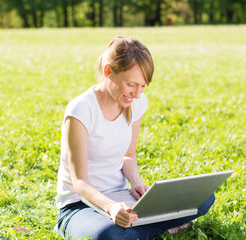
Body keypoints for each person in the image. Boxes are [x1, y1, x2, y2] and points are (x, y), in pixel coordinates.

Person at [55, 36, 215, 240]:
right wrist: (111, 208)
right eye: (131, 84)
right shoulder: (80, 110)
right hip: (80, 205)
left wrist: (137, 183)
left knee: (202, 199)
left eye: (143, 86)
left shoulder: (136, 103)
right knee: (108, 236)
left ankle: (135, 230)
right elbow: (79, 182)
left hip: (122, 199)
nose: (137, 94)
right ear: (108, 71)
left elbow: (128, 155)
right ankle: (152, 227)